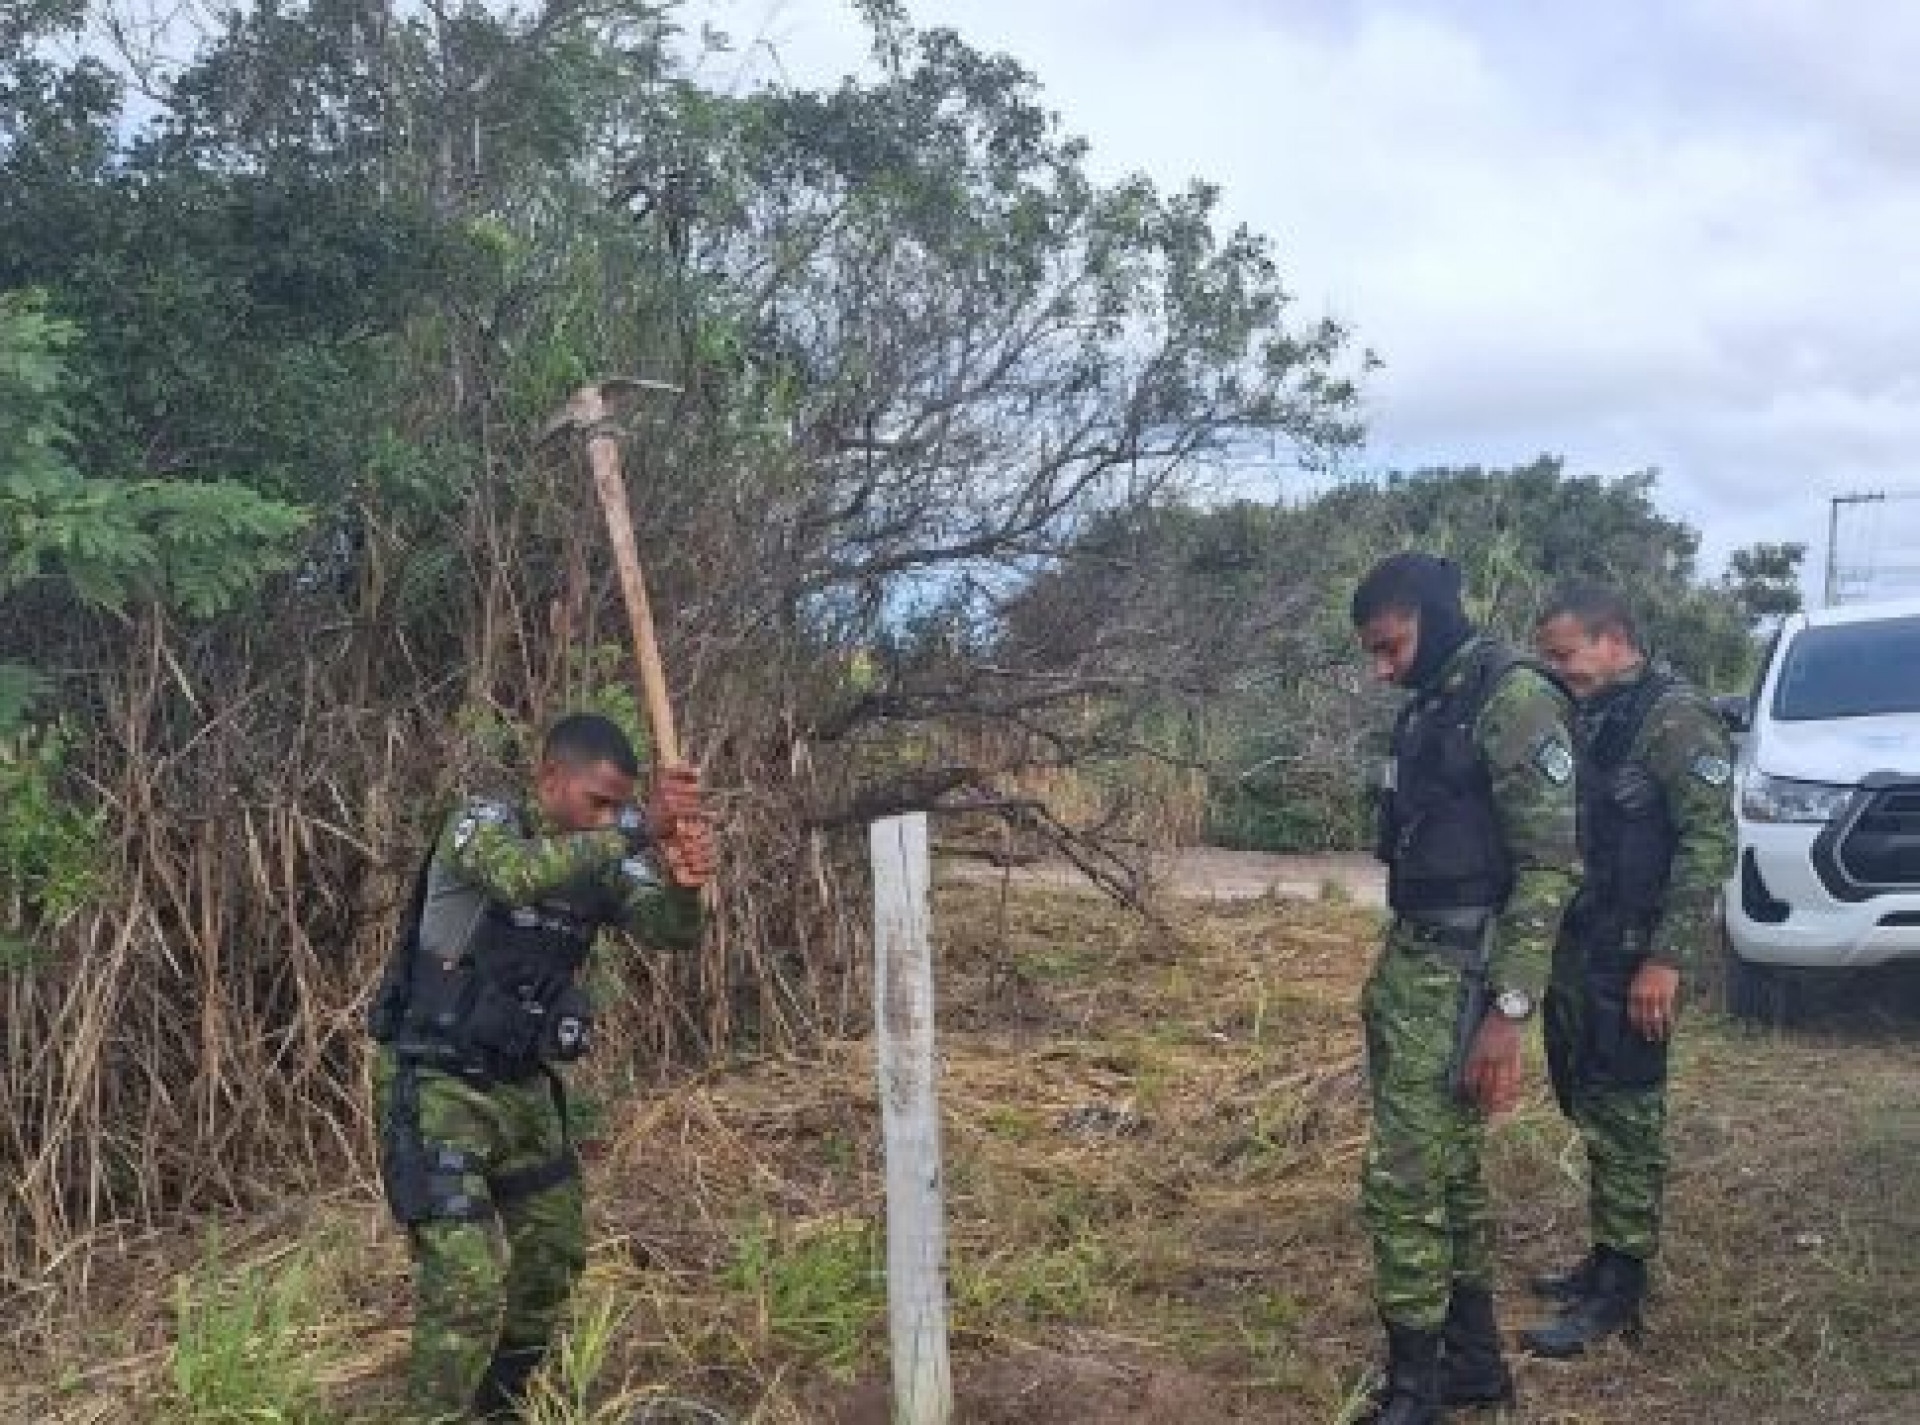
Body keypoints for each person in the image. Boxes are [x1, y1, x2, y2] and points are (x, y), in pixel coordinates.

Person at [367, 713, 716, 1421]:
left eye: (618, 805)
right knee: (465, 1283)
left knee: (550, 1263)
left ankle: (499, 1408)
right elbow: (517, 877)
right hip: (440, 1084)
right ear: (550, 777)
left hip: (524, 1088)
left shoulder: (607, 854)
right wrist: (639, 826)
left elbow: (673, 933)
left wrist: (684, 881)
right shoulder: (483, 826)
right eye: (597, 802)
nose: (608, 817)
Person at [1351, 552, 1582, 1425]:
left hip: (1467, 978)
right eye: (1372, 653)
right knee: (1444, 1177)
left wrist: (1508, 1010)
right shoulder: (1434, 703)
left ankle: (1415, 1394)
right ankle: (1473, 1364)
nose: (1382, 667)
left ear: (1433, 617)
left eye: (1390, 645)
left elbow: (1550, 868)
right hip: (1415, 969)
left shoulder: (1515, 700)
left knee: (1402, 1182)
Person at [1524, 583, 1735, 1356]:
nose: (1555, 668)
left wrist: (1666, 959)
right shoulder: (1593, 712)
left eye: (1565, 653)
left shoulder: (1676, 716)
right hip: (1583, 948)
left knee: (1629, 1113)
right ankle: (1605, 1255)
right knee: (1590, 1100)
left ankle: (1621, 1288)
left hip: (1635, 954)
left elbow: (1709, 843)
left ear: (1614, 638)